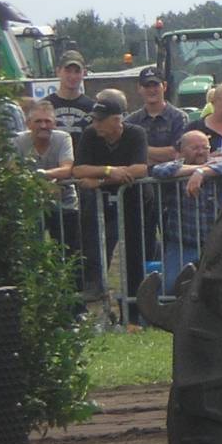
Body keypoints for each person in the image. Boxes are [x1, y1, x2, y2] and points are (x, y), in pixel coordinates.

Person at [71, 99, 153, 319]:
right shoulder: (90, 134)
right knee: (95, 250)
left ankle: (135, 314)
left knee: (136, 256)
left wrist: (100, 181)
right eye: (94, 119)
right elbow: (79, 170)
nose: (95, 124)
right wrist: (110, 170)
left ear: (117, 120)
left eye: (100, 120)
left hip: (136, 202)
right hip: (102, 205)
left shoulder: (136, 133)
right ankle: (99, 302)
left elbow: (140, 169)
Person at [150, 130, 222, 293]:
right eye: (195, 148)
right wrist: (197, 169)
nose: (201, 151)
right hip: (182, 245)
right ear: (182, 151)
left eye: (204, 147)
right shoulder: (175, 166)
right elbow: (158, 170)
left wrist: (201, 173)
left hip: (217, 243)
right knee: (167, 288)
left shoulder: (220, 163)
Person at [127, 67, 190, 266]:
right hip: (141, 193)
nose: (151, 90)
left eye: (155, 85)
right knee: (141, 243)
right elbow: (128, 156)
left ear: (164, 86)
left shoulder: (179, 117)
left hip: (173, 192)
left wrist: (142, 151)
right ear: (139, 89)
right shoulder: (131, 120)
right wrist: (160, 154)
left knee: (175, 242)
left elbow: (177, 153)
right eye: (146, 85)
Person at [14, 99, 80, 260]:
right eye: (38, 121)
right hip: (31, 207)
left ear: (54, 123)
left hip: (65, 204)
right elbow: (13, 171)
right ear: (28, 123)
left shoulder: (63, 138)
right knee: (32, 254)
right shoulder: (18, 141)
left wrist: (40, 175)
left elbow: (67, 169)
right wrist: (43, 183)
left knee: (70, 255)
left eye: (47, 121)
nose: (43, 125)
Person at [47, 52, 94, 141]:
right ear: (58, 72)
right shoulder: (46, 105)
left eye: (77, 71)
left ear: (84, 73)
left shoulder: (92, 108)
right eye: (68, 71)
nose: (72, 76)